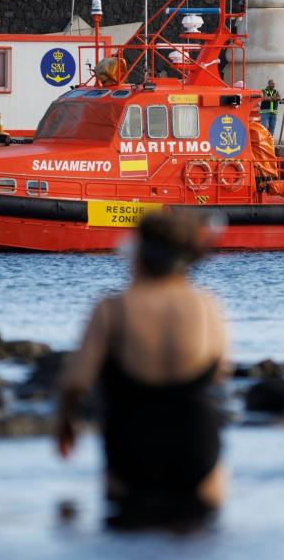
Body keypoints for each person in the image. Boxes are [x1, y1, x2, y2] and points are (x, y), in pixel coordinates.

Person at [55, 211, 230, 531]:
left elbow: (76, 380)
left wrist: (66, 423)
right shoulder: (207, 306)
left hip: (130, 445)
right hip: (196, 445)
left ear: (138, 251)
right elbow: (219, 371)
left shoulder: (112, 309)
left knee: (127, 533)